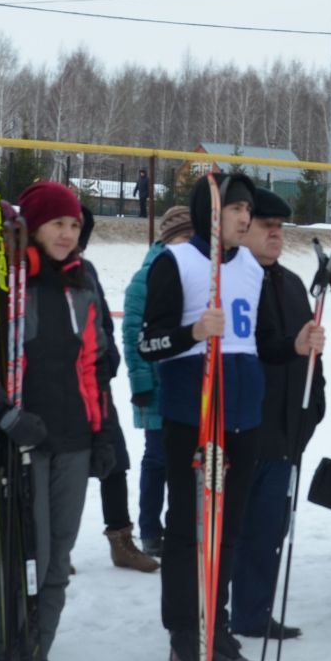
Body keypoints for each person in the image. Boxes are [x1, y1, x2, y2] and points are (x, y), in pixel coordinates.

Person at [0, 182, 118, 661]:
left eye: (73, 225)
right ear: (33, 227)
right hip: (17, 439)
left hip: (74, 438)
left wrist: (104, 433)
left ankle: (34, 654)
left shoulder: (82, 278)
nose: (67, 234)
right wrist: (5, 416)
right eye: (57, 225)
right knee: (29, 556)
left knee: (57, 562)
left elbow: (95, 365)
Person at [139, 172, 306, 661]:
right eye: (236, 209)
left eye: (247, 210)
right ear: (212, 212)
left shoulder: (252, 270)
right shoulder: (177, 262)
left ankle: (219, 626)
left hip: (243, 412)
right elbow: (149, 345)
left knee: (228, 530)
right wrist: (191, 332)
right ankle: (185, 634)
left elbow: (254, 343)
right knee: (191, 529)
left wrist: (293, 346)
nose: (244, 218)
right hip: (194, 412)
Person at [227, 188, 326, 640]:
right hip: (245, 424)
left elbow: (308, 352)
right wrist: (294, 347)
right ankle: (215, 610)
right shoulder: (233, 280)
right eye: (267, 227)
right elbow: (259, 348)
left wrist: (315, 401)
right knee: (235, 528)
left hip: (287, 429)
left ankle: (254, 611)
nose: (276, 235)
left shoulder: (289, 283)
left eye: (281, 228)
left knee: (271, 527)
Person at [76, 206, 155, 574]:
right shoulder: (35, 276)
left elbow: (104, 319)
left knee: (114, 462)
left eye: (78, 228)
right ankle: (49, 547)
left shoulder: (86, 271)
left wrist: (108, 359)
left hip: (96, 384)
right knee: (58, 469)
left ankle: (121, 540)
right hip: (57, 387)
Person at [122, 205, 191, 558]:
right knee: (157, 458)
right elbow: (133, 333)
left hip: (187, 387)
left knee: (185, 460)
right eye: (183, 237)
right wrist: (141, 385)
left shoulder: (195, 272)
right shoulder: (146, 277)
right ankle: (150, 528)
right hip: (155, 386)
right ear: (167, 239)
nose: (188, 243)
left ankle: (182, 526)